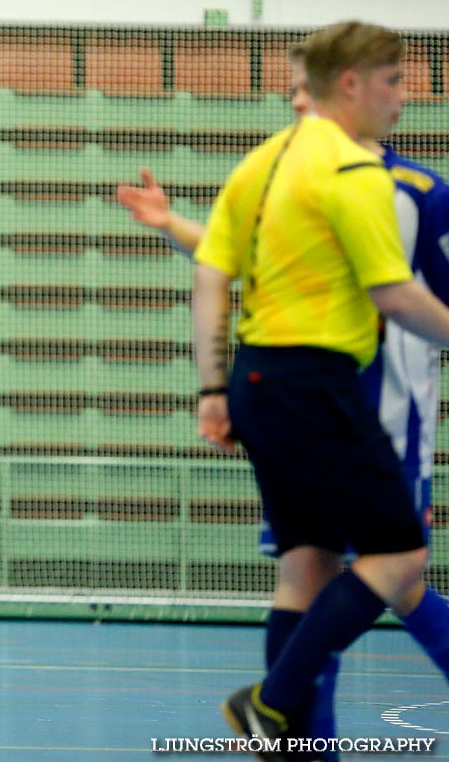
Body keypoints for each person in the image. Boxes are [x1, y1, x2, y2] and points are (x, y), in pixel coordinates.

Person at [118, 46, 449, 756]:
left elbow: (236, 267)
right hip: (347, 407)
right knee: (388, 570)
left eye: (304, 91)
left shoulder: (365, 184)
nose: (296, 104)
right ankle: (286, 721)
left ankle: (288, 734)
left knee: (330, 572)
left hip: (318, 400)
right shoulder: (343, 178)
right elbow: (402, 295)